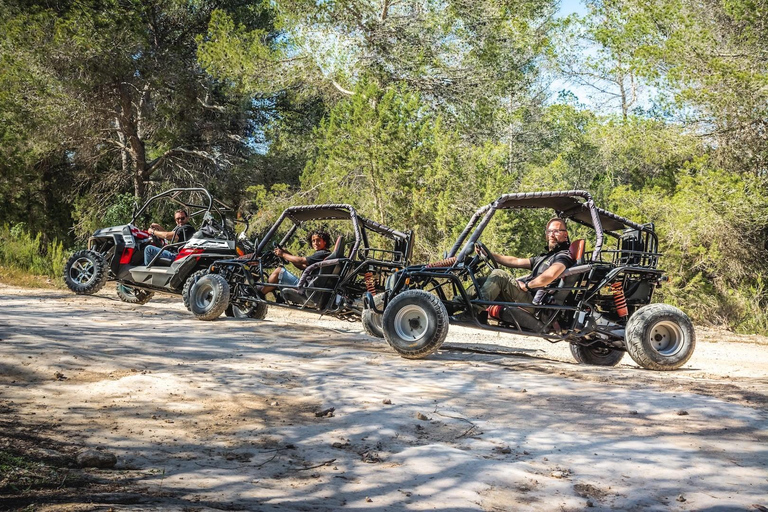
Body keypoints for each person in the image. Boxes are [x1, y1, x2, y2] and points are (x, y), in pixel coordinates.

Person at [474, 217, 576, 306]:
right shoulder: (544, 257)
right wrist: (489, 255)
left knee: (499, 275)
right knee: (481, 281)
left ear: (565, 234)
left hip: (534, 300)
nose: (551, 235)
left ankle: (472, 310)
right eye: (549, 231)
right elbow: (516, 261)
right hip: (525, 295)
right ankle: (462, 305)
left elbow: (550, 275)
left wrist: (527, 285)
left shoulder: (563, 256)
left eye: (556, 231)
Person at [260, 229, 332, 295]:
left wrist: (283, 254)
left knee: (279, 271)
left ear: (324, 241)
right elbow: (302, 266)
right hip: (309, 286)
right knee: (278, 276)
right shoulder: (326, 254)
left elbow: (300, 260)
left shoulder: (322, 254)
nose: (315, 243)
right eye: (313, 241)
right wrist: (288, 254)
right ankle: (262, 290)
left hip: (305, 287)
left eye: (318, 240)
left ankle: (260, 294)